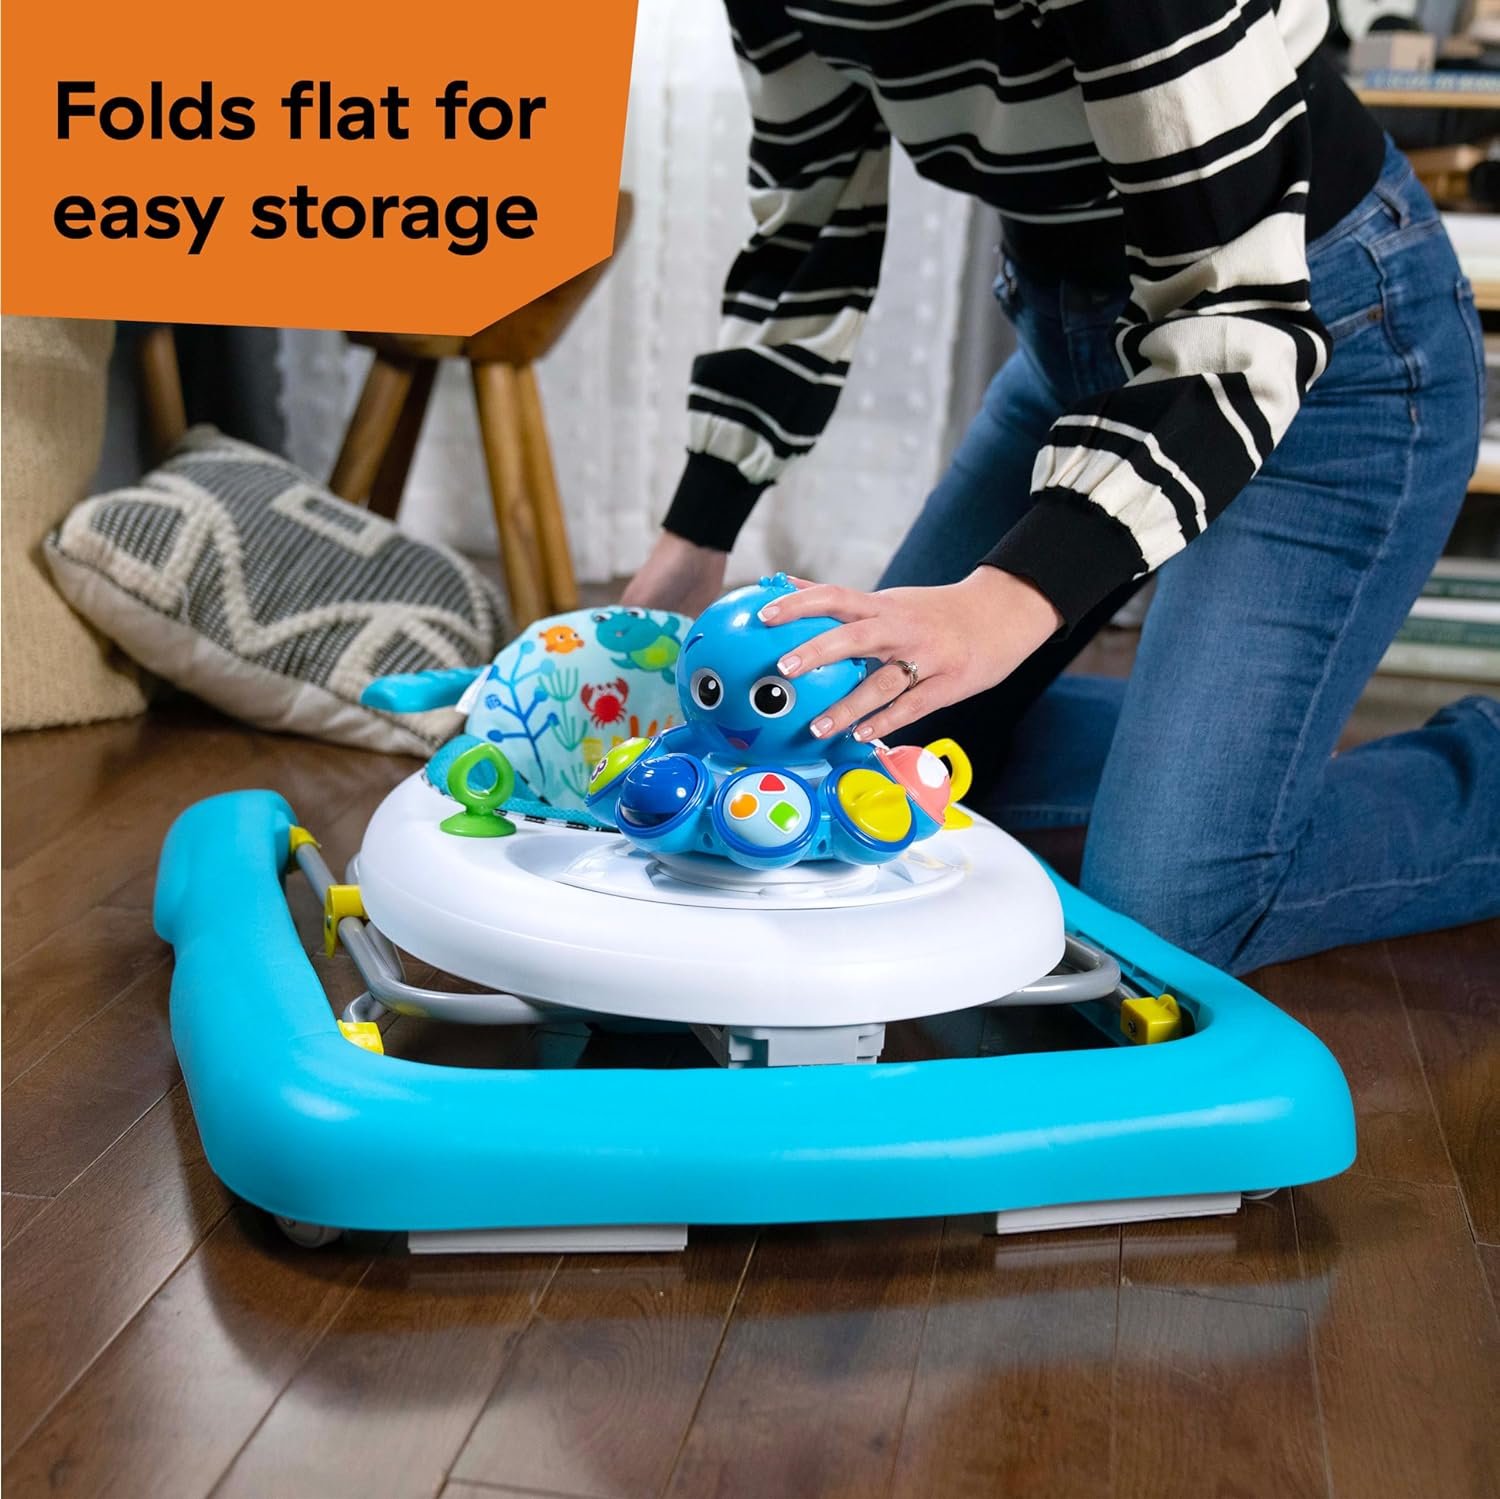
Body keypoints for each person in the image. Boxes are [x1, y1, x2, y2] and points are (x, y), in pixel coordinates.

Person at [622, 0, 1500, 973]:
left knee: (1168, 902)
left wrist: (1004, 603)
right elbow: (809, 234)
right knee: (870, 749)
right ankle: (1228, 766)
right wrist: (697, 533)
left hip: (1319, 352)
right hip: (1080, 350)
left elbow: (1232, 321)